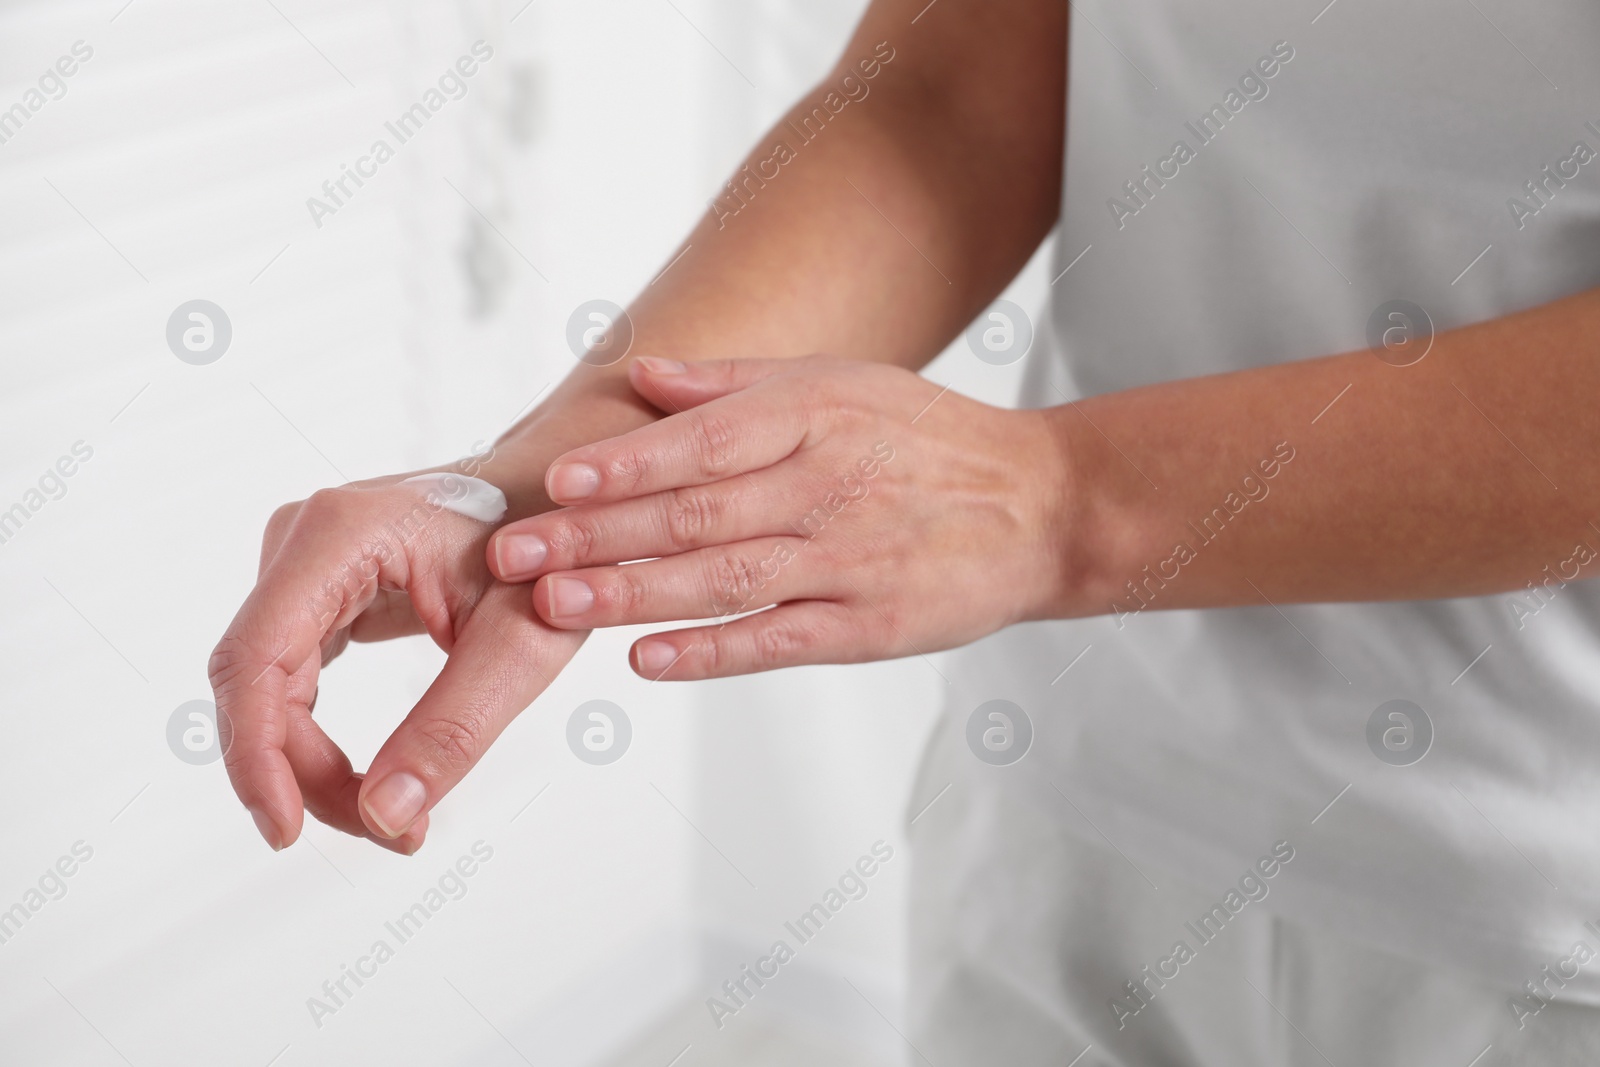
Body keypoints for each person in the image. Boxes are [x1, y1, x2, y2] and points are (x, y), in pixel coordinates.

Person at [210, 0, 1600, 1061]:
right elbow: (948, 93)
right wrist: (563, 477)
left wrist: (1061, 505)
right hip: (1064, 816)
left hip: (1536, 923)